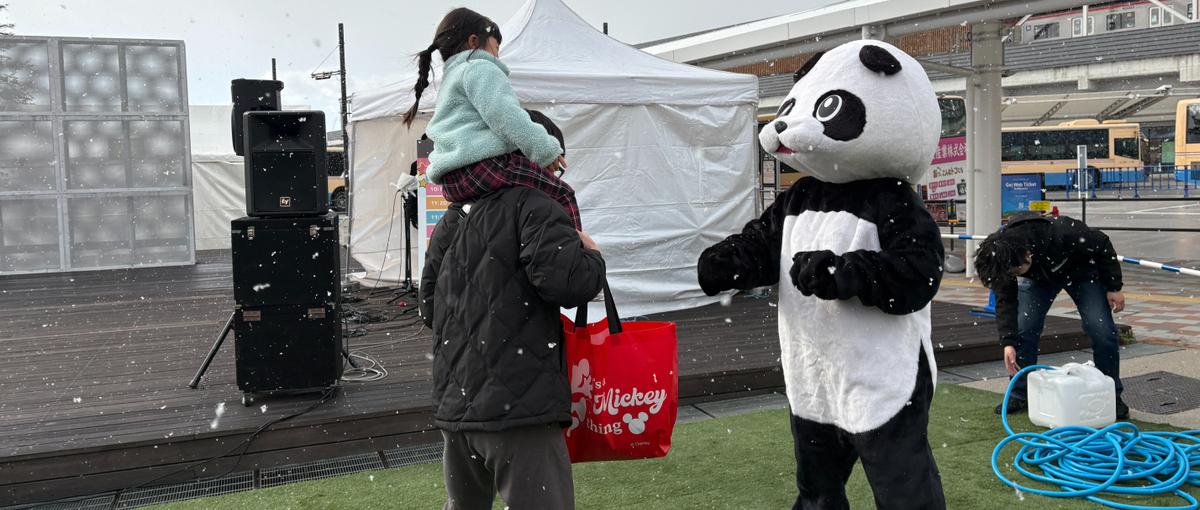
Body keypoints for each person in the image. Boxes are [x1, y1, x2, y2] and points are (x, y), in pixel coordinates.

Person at [404, 7, 580, 229]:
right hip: (483, 166)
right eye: (496, 47)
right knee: (562, 195)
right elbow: (506, 115)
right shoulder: (478, 68)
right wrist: (543, 149)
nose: (497, 55)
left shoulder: (451, 79)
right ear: (473, 41)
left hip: (453, 180)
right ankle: (577, 256)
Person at [974, 212, 1128, 419]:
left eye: (1018, 271)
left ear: (1027, 253)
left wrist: (1114, 286)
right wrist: (1008, 342)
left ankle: (1111, 395)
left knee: (1101, 330)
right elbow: (1006, 303)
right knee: (1024, 328)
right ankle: (1021, 393)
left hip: (1082, 273)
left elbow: (1102, 243)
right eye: (1014, 275)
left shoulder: (1064, 232)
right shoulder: (1002, 259)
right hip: (1041, 279)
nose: (1016, 276)